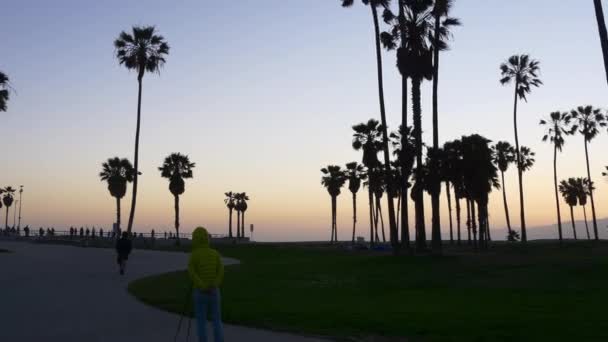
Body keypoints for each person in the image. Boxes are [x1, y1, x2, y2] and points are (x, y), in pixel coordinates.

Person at [188, 227, 224, 342]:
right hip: (214, 291)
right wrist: (215, 284)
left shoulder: (194, 255)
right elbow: (221, 270)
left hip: (200, 292)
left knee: (201, 322)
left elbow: (192, 272)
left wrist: (201, 285)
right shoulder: (215, 254)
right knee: (217, 320)